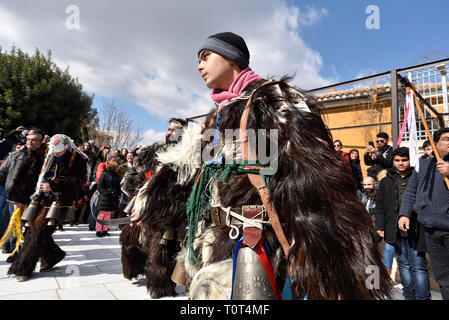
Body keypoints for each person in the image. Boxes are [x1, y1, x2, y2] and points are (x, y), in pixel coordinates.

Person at [131, 31, 392, 300]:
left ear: (231, 58)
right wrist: (149, 202)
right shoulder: (218, 118)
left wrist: (339, 264)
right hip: (217, 241)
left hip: (259, 244)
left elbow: (319, 179)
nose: (199, 65)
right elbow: (188, 169)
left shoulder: (273, 102)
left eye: (206, 56)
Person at [7, 134, 88, 281]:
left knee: (38, 230)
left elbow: (78, 182)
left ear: (67, 147)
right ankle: (52, 256)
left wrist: (54, 184)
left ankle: (23, 268)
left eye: (60, 151)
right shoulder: (44, 154)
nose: (56, 153)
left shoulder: (77, 159)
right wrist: (17, 197)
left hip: (59, 200)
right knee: (29, 229)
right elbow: (28, 175)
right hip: (38, 198)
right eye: (54, 150)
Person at [399, 128, 449, 300]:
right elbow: (411, 192)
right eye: (447, 139)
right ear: (436, 143)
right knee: (442, 277)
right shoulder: (424, 164)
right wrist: (405, 213)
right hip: (430, 229)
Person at [374, 147, 430, 300]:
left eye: (404, 160)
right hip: (394, 230)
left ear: (410, 160)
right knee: (403, 265)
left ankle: (423, 297)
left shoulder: (419, 178)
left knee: (418, 266)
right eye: (397, 160)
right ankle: (409, 296)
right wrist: (379, 226)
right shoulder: (386, 181)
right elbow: (380, 206)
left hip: (416, 230)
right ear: (392, 161)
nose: (400, 163)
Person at [0, 129, 47, 262]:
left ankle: (26, 250)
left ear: (40, 142)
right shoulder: (15, 155)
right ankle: (14, 249)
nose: (29, 142)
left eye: (33, 140)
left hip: (33, 199)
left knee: (28, 226)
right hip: (14, 196)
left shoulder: (44, 158)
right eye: (28, 139)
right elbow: (2, 173)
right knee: (14, 223)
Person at [96, 159, 121, 237]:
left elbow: (118, 186)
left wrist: (117, 193)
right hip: (105, 197)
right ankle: (98, 231)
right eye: (116, 166)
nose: (117, 167)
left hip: (112, 197)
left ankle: (105, 230)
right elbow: (100, 186)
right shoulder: (105, 173)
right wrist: (106, 192)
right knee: (101, 214)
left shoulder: (116, 175)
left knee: (108, 215)